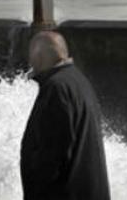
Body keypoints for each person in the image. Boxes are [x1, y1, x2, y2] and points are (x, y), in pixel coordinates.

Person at [20, 31, 110, 200]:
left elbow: (53, 154)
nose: (30, 62)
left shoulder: (57, 89)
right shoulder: (78, 81)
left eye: (31, 57)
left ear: (39, 57)